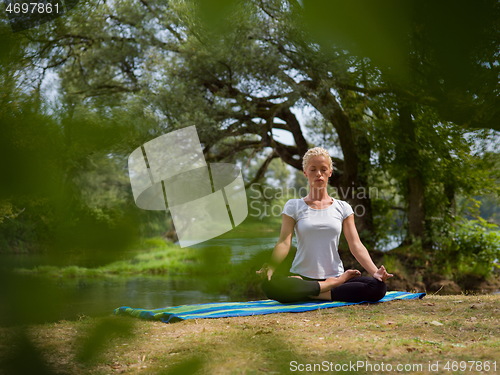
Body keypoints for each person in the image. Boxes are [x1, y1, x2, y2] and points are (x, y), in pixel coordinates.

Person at [257, 147, 393, 303]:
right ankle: (327, 287)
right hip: (303, 278)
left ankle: (313, 292)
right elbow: (283, 242)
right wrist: (272, 266)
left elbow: (355, 245)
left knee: (378, 287)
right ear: (305, 173)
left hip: (335, 275)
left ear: (330, 172)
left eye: (323, 169)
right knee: (268, 285)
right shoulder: (293, 206)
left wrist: (376, 272)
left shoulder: (343, 207)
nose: (318, 174)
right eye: (313, 169)